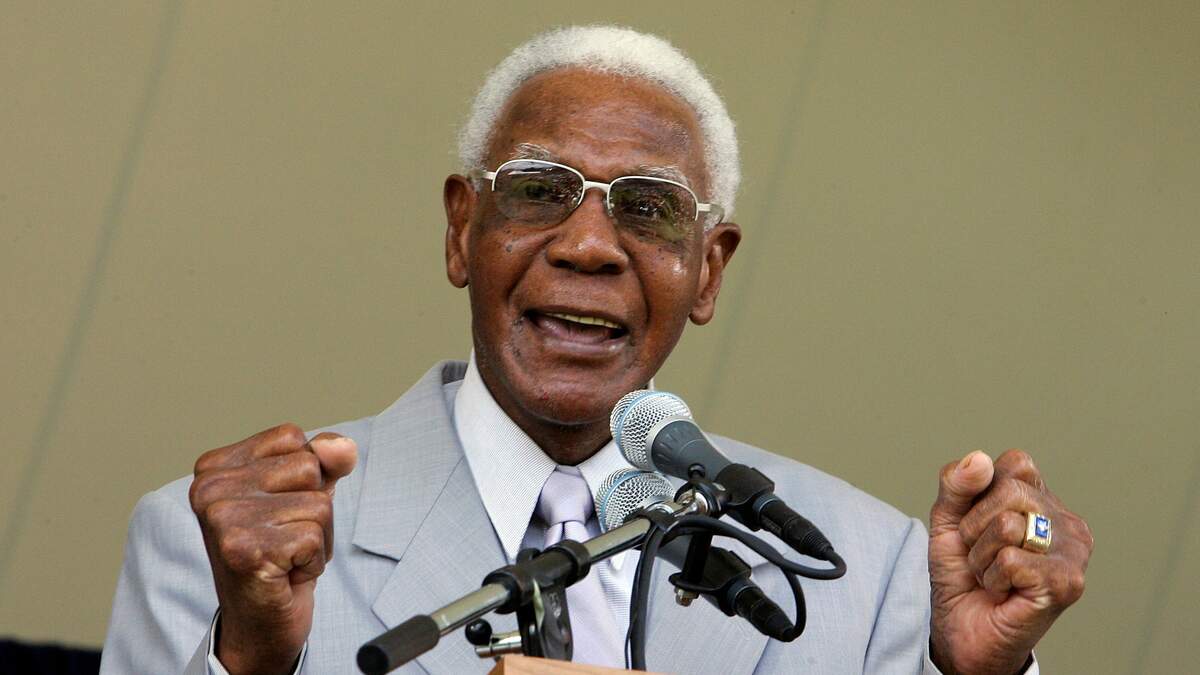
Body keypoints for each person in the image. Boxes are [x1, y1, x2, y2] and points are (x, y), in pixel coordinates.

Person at [100, 26, 1092, 674]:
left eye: (648, 209)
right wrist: (250, 658)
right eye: (539, 191)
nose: (586, 245)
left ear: (708, 271)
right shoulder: (230, 545)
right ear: (462, 229)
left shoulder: (870, 577)